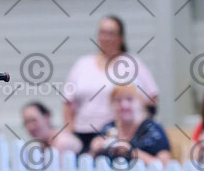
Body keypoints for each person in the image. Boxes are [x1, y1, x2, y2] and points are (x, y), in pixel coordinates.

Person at [63, 16, 158, 150]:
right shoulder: (82, 64)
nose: (106, 38)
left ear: (121, 37)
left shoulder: (131, 63)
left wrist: (139, 127)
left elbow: (152, 97)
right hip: (82, 132)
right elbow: (67, 101)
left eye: (111, 33)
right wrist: (69, 131)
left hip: (116, 134)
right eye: (103, 33)